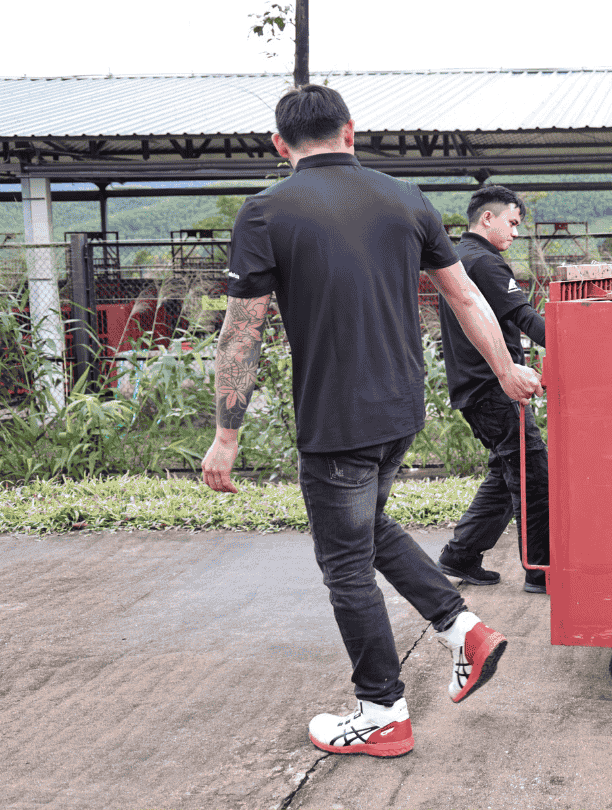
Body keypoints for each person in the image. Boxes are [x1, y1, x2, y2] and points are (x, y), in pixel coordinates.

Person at [200, 85, 543, 758]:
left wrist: (225, 436)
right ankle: (461, 629)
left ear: (280, 146)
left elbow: (242, 334)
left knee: (345, 564)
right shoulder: (405, 197)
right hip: (400, 410)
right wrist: (505, 370)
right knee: (368, 524)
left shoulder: (266, 211)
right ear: (350, 132)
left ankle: (381, 710)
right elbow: (467, 295)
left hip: (338, 417)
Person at [434, 185, 550, 595]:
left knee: (508, 471)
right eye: (512, 223)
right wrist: (574, 341)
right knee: (533, 475)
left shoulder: (458, 258)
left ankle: (461, 554)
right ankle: (541, 569)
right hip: (492, 388)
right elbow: (522, 316)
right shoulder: (484, 262)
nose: (515, 233)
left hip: (474, 387)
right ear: (488, 218)